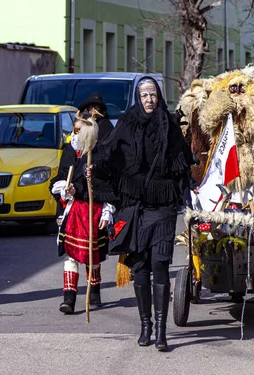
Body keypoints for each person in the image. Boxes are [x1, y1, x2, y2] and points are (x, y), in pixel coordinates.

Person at [101, 77, 193, 351]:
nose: (149, 100)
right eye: (144, 95)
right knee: (140, 268)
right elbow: (110, 158)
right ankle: (146, 326)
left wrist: (183, 184)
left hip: (162, 208)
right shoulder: (126, 124)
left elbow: (181, 163)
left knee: (160, 265)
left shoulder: (169, 125)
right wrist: (93, 171)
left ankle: (163, 331)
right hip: (134, 209)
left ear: (159, 97)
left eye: (153, 94)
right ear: (137, 98)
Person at [49, 112, 114, 314]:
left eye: (78, 131)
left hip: (93, 212)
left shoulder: (101, 154)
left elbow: (109, 186)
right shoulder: (69, 151)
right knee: (72, 255)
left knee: (91, 255)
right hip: (74, 211)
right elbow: (60, 177)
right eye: (73, 130)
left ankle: (94, 290)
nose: (73, 135)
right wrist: (66, 189)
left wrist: (107, 210)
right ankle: (69, 298)